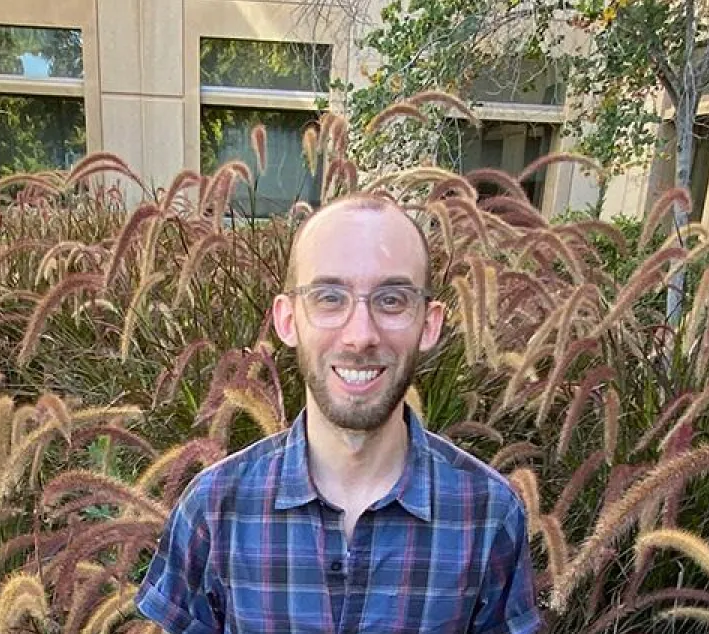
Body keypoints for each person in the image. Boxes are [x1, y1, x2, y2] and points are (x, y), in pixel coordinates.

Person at [134, 194, 543, 633]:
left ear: (429, 324)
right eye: (329, 297)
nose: (360, 335)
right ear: (287, 320)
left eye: (392, 300)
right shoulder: (214, 509)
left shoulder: (488, 515)